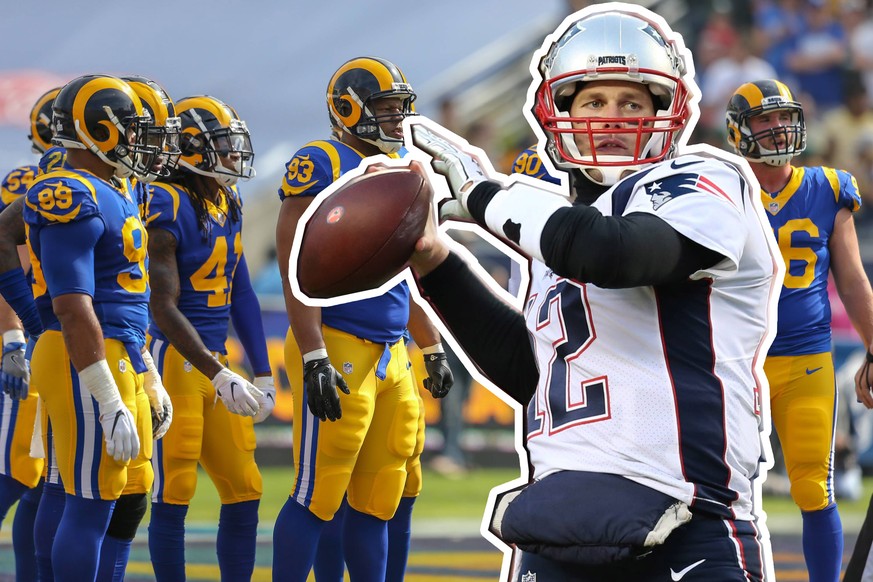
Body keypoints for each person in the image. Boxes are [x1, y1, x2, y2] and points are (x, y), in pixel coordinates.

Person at [399, 4, 781, 580]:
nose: (611, 118)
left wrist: (484, 196)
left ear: (665, 112)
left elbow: (615, 254)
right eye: (593, 102)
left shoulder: (704, 182)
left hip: (687, 521)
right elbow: (536, 373)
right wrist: (436, 263)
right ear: (560, 112)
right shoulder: (562, 226)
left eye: (631, 102)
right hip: (560, 523)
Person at [273, 56, 453, 582]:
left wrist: (431, 344)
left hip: (391, 351)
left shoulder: (399, 169)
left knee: (381, 494)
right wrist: (312, 354)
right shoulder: (321, 161)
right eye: (385, 107)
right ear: (347, 107)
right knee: (319, 492)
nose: (396, 118)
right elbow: (293, 268)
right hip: (337, 340)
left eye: (401, 107)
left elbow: (404, 276)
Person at [21, 73, 172, 582]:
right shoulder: (67, 190)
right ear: (98, 129)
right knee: (89, 500)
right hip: (81, 356)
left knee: (122, 493)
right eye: (130, 129)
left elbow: (123, 295)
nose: (139, 142)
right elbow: (71, 305)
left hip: (116, 349)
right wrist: (107, 399)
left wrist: (147, 368)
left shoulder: (112, 187)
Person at [726, 78, 873, 582]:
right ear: (738, 131)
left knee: (813, 487)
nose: (776, 128)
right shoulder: (715, 190)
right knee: (717, 491)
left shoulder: (828, 188)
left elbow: (853, 281)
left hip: (805, 358)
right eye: (763, 120)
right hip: (731, 361)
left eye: (782, 117)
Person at [145, 94, 273, 582]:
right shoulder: (166, 202)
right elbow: (162, 305)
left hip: (214, 359)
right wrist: (218, 372)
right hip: (174, 357)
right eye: (223, 146)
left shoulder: (227, 198)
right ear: (194, 150)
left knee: (245, 486)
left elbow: (240, 291)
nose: (234, 156)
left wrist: (261, 369)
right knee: (173, 487)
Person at [0, 85, 57, 582]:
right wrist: (14, 337)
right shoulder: (27, 185)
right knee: (15, 471)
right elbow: (9, 264)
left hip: (64, 341)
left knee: (44, 481)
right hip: (33, 340)